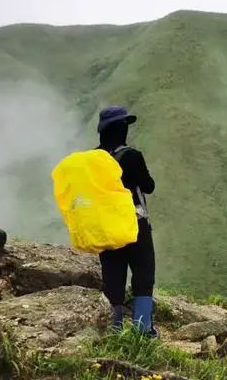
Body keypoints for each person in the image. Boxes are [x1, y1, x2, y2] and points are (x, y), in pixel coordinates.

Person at [95, 106, 157, 337]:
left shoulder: (94, 159)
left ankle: (114, 329)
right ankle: (142, 331)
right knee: (143, 275)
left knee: (113, 275)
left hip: (105, 227)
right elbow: (149, 186)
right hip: (134, 224)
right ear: (120, 130)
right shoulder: (131, 156)